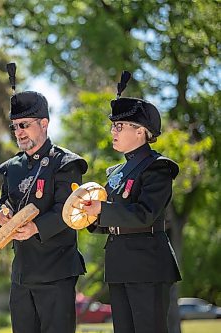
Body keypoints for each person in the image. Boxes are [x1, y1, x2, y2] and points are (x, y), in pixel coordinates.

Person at [83, 71, 181, 333]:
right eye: (113, 125)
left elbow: (144, 214)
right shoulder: (116, 173)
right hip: (120, 265)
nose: (113, 131)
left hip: (147, 265)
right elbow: (110, 219)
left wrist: (102, 210)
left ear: (141, 132)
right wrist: (90, 217)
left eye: (120, 126)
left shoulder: (158, 168)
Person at [0, 64, 87, 333]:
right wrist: (1, 212)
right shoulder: (11, 167)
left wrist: (35, 227)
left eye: (24, 125)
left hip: (56, 271)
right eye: (14, 127)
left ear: (44, 123)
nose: (19, 132)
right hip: (22, 273)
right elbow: (6, 200)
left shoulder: (66, 164)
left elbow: (69, 212)